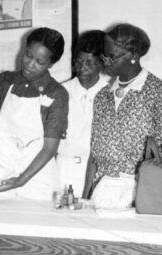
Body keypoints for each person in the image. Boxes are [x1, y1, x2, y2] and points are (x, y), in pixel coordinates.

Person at [83, 23, 162, 208]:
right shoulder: (102, 96)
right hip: (102, 193)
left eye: (112, 57)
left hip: (141, 193)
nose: (105, 61)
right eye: (104, 55)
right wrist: (86, 197)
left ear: (134, 56)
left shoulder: (160, 92)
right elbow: (94, 156)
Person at [0, 27, 69, 200]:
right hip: (4, 170)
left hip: (38, 177)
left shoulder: (57, 93)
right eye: (28, 55)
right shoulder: (5, 80)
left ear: (51, 64)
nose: (30, 64)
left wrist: (21, 180)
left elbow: (50, 148)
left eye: (39, 62)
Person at [57, 30, 110, 197]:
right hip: (62, 168)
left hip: (96, 171)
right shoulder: (61, 92)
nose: (82, 67)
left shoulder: (111, 95)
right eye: (79, 61)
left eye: (89, 62)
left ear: (102, 64)